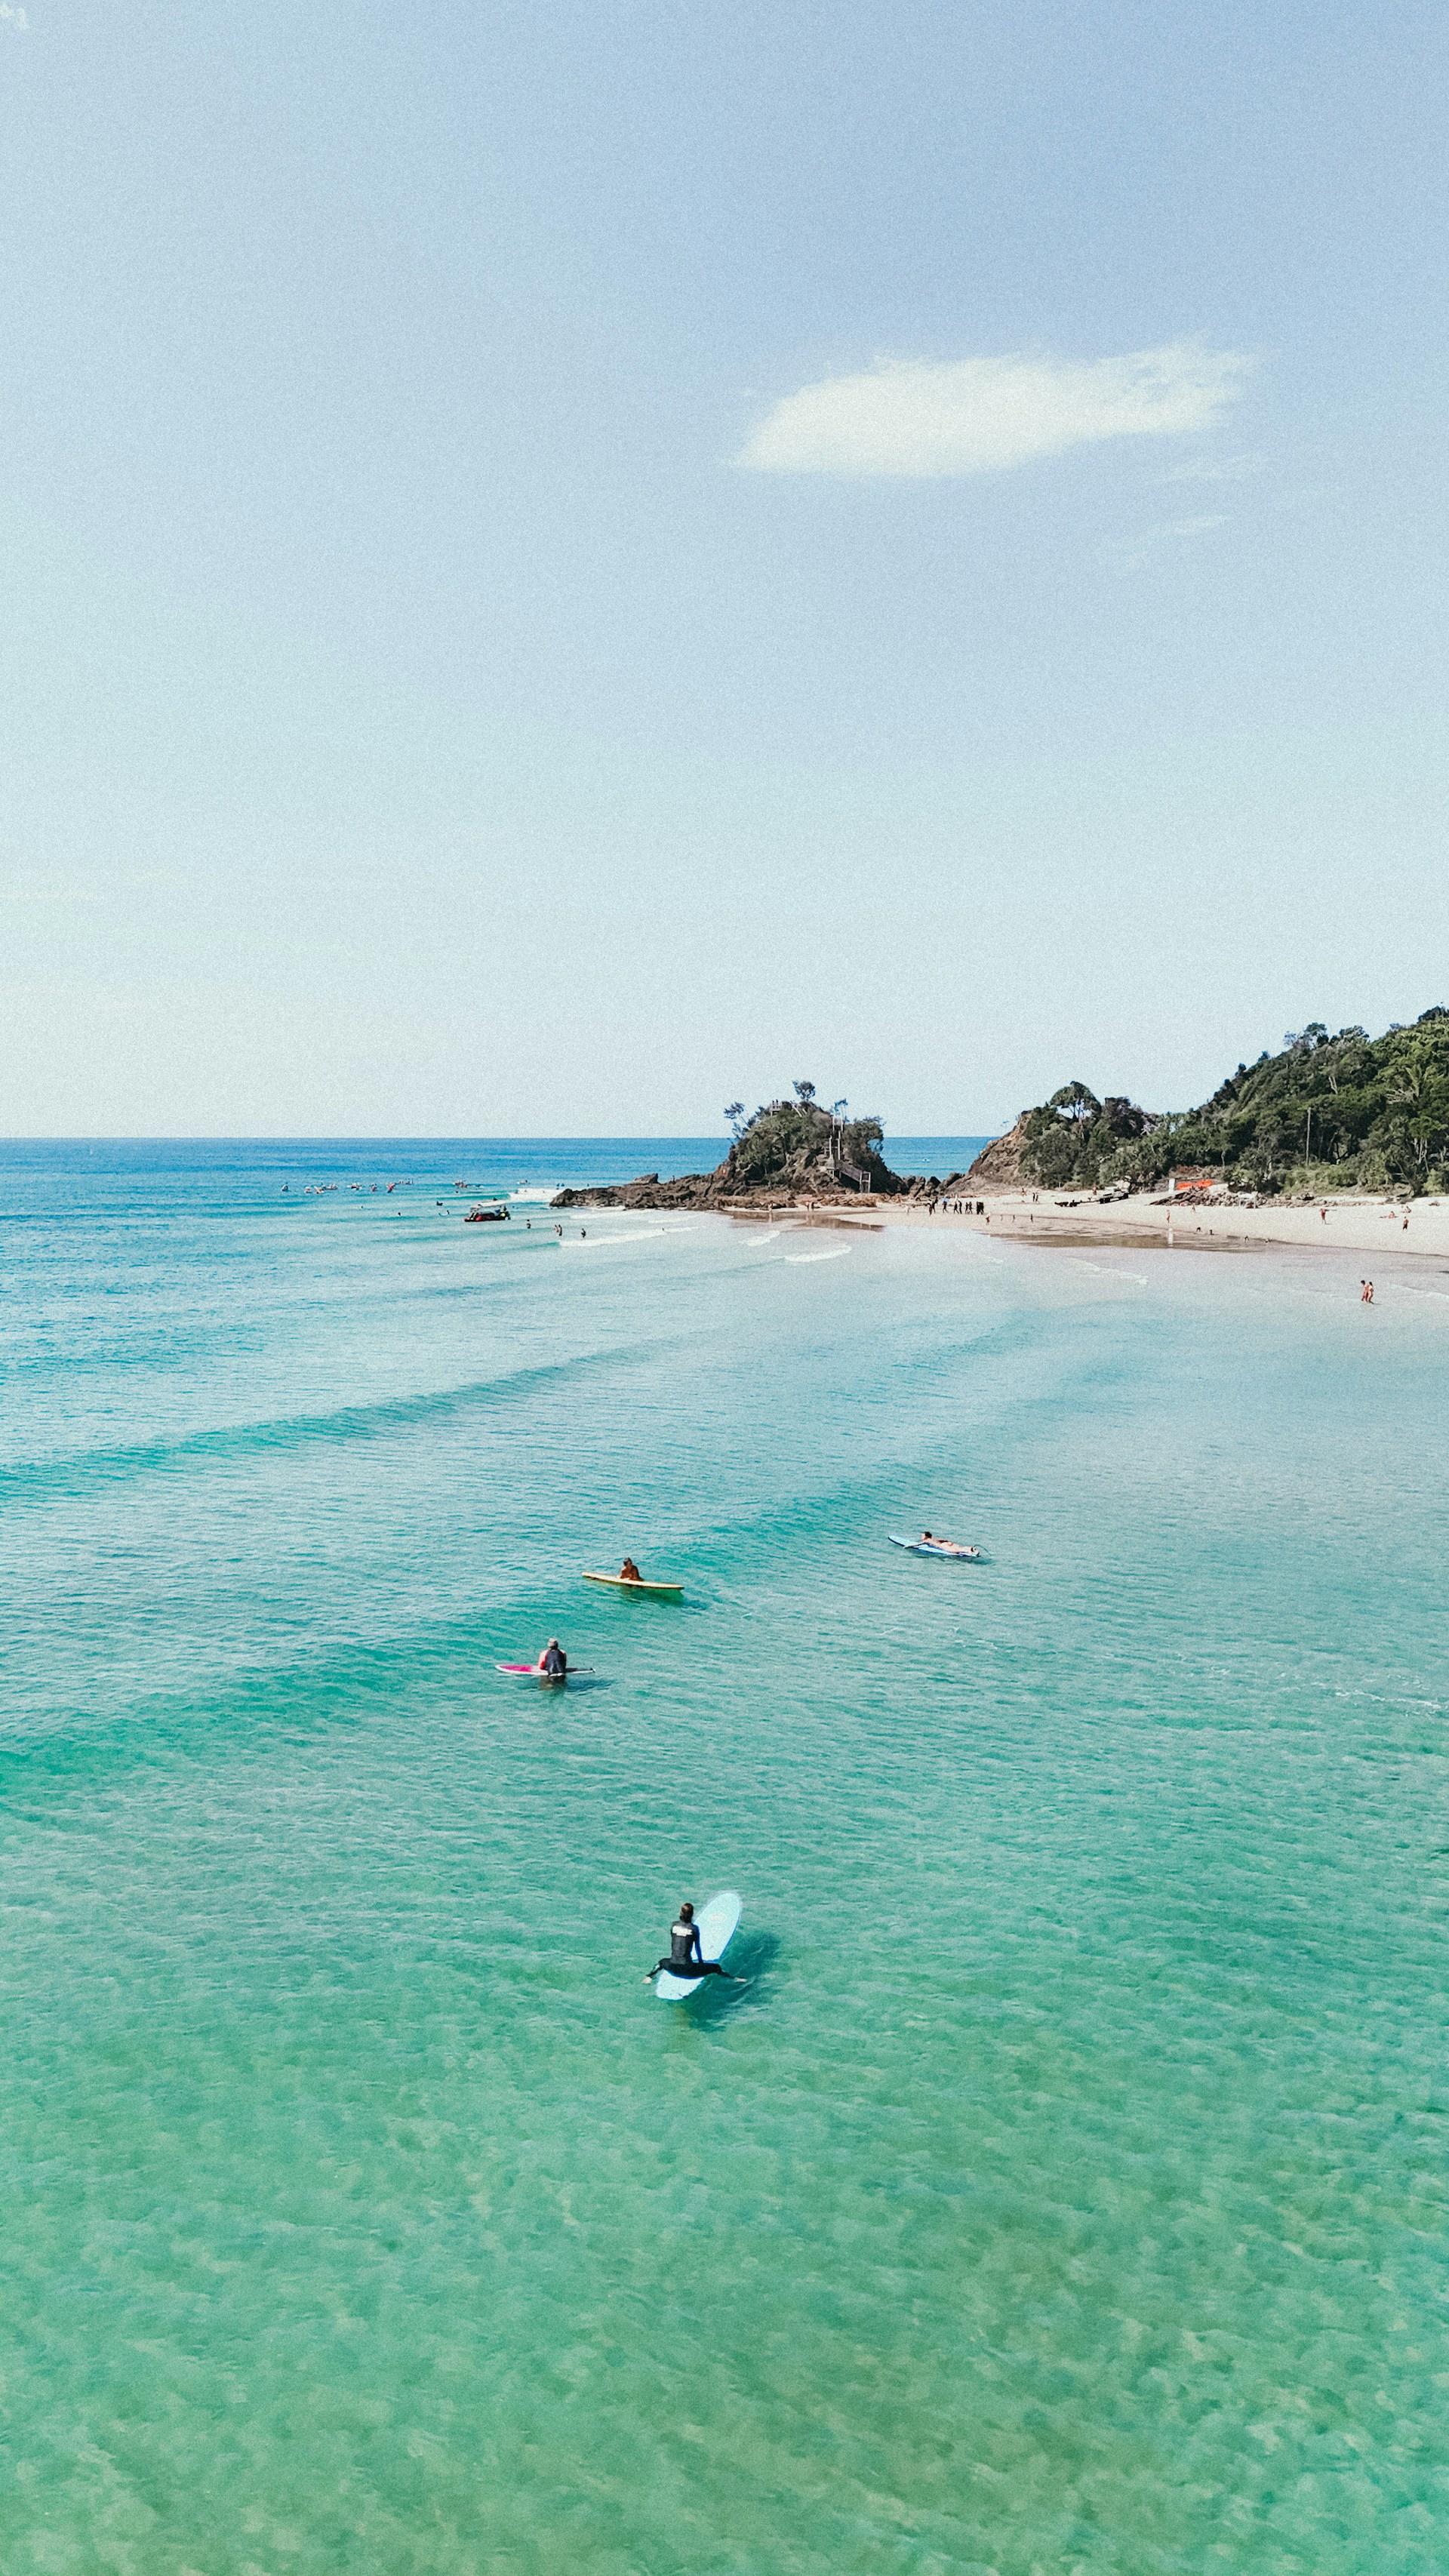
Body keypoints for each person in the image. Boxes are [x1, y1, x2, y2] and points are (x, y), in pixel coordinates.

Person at [643, 1900, 744, 1985]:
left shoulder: (673, 1926)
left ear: (681, 1913)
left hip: (672, 1967)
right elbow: (697, 1948)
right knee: (716, 1967)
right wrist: (701, 1963)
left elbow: (676, 1943)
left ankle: (649, 1977)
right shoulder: (694, 1929)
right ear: (691, 1914)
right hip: (688, 1970)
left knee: (661, 1962)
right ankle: (733, 1979)